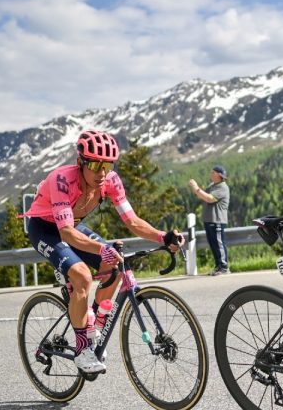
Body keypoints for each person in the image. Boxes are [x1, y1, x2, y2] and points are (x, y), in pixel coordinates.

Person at [22, 130, 184, 374]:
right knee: (82, 276)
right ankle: (82, 348)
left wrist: (163, 236)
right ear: (81, 162)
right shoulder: (62, 180)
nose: (101, 173)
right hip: (46, 229)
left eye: (107, 165)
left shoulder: (110, 180)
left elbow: (132, 221)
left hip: (73, 226)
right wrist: (102, 248)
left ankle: (93, 325)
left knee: (115, 266)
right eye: (96, 164)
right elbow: (65, 233)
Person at [190, 165, 231, 276]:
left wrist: (196, 188)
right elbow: (203, 196)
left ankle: (223, 267)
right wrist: (196, 190)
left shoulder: (222, 187)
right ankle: (218, 266)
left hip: (217, 220)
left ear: (219, 175)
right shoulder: (213, 186)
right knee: (214, 245)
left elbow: (209, 198)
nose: (211, 174)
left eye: (213, 172)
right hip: (209, 220)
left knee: (219, 244)